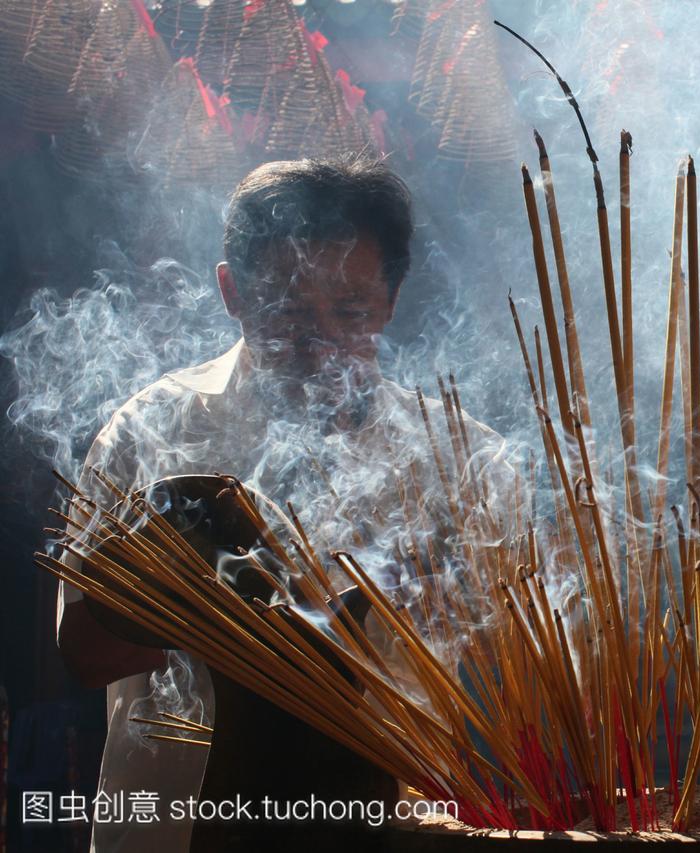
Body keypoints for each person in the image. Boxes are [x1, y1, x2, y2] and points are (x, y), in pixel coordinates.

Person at [55, 156, 512, 852]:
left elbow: (516, 680)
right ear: (231, 291)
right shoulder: (154, 433)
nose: (317, 340)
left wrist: (440, 595)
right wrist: (209, 599)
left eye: (350, 311)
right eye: (285, 308)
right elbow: (84, 651)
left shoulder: (456, 459)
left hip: (391, 827)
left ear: (391, 300)